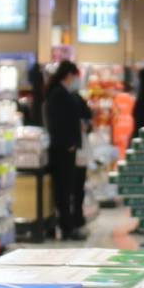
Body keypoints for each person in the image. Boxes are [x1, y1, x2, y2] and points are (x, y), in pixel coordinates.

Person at [44, 60, 94, 240]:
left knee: (68, 189)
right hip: (63, 149)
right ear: (69, 75)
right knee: (64, 190)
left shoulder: (65, 93)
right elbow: (59, 122)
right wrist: (69, 143)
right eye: (74, 77)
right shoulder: (58, 94)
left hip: (67, 148)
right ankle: (66, 228)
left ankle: (69, 225)